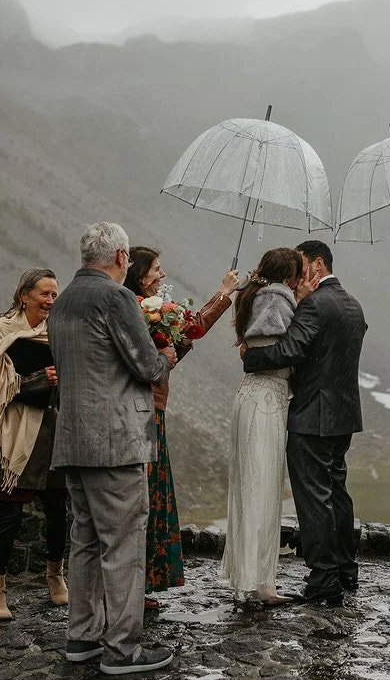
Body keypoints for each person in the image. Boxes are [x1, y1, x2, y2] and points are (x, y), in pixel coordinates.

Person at [48, 221, 178, 675]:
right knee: (122, 542)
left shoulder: (62, 301)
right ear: (122, 257)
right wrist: (167, 356)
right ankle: (123, 648)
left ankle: (82, 636)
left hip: (73, 440)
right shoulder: (116, 297)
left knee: (83, 539)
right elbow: (145, 364)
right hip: (115, 442)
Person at [242, 240, 365, 605]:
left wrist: (251, 357)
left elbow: (290, 349)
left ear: (316, 264)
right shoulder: (352, 303)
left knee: (313, 499)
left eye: (301, 265)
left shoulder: (314, 303)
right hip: (343, 415)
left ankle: (323, 577)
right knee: (338, 494)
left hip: (312, 414)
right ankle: (345, 568)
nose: (297, 276)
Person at [123, 247, 239, 610]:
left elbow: (180, 342)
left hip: (152, 409)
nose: (163, 274)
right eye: (157, 269)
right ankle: (131, 586)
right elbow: (190, 330)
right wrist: (224, 293)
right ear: (141, 275)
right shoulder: (140, 309)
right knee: (142, 496)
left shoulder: (149, 308)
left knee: (148, 495)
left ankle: (139, 584)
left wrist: (171, 353)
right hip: (143, 413)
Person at [0, 268, 68, 621]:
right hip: (11, 431)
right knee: (9, 513)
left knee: (58, 507)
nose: (51, 301)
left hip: (50, 430)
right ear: (24, 295)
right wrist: (40, 379)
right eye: (44, 294)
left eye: (55, 294)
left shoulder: (58, 332)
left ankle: (55, 576)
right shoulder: (1, 330)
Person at [221, 247, 304, 605]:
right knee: (262, 486)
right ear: (290, 275)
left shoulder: (257, 295)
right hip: (267, 399)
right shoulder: (277, 299)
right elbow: (289, 348)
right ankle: (259, 583)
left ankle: (252, 578)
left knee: (251, 483)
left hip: (254, 397)